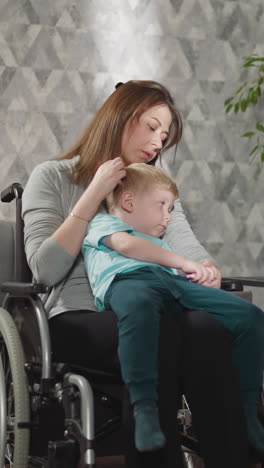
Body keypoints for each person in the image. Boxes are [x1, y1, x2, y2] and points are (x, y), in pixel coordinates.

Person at [22, 80, 251, 468]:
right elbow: (45, 270)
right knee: (161, 328)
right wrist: (95, 192)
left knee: (209, 328)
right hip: (77, 317)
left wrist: (207, 268)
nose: (158, 142)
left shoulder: (150, 187)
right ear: (120, 118)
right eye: (151, 127)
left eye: (164, 135)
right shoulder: (53, 177)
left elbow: (186, 246)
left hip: (150, 304)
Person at [82, 162, 264, 454]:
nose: (168, 216)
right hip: (128, 282)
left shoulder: (159, 243)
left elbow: (177, 270)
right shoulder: (104, 223)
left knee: (249, 316)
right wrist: (182, 262)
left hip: (170, 283)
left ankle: (248, 413)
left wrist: (201, 272)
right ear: (129, 201)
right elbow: (128, 247)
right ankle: (144, 411)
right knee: (140, 307)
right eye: (162, 205)